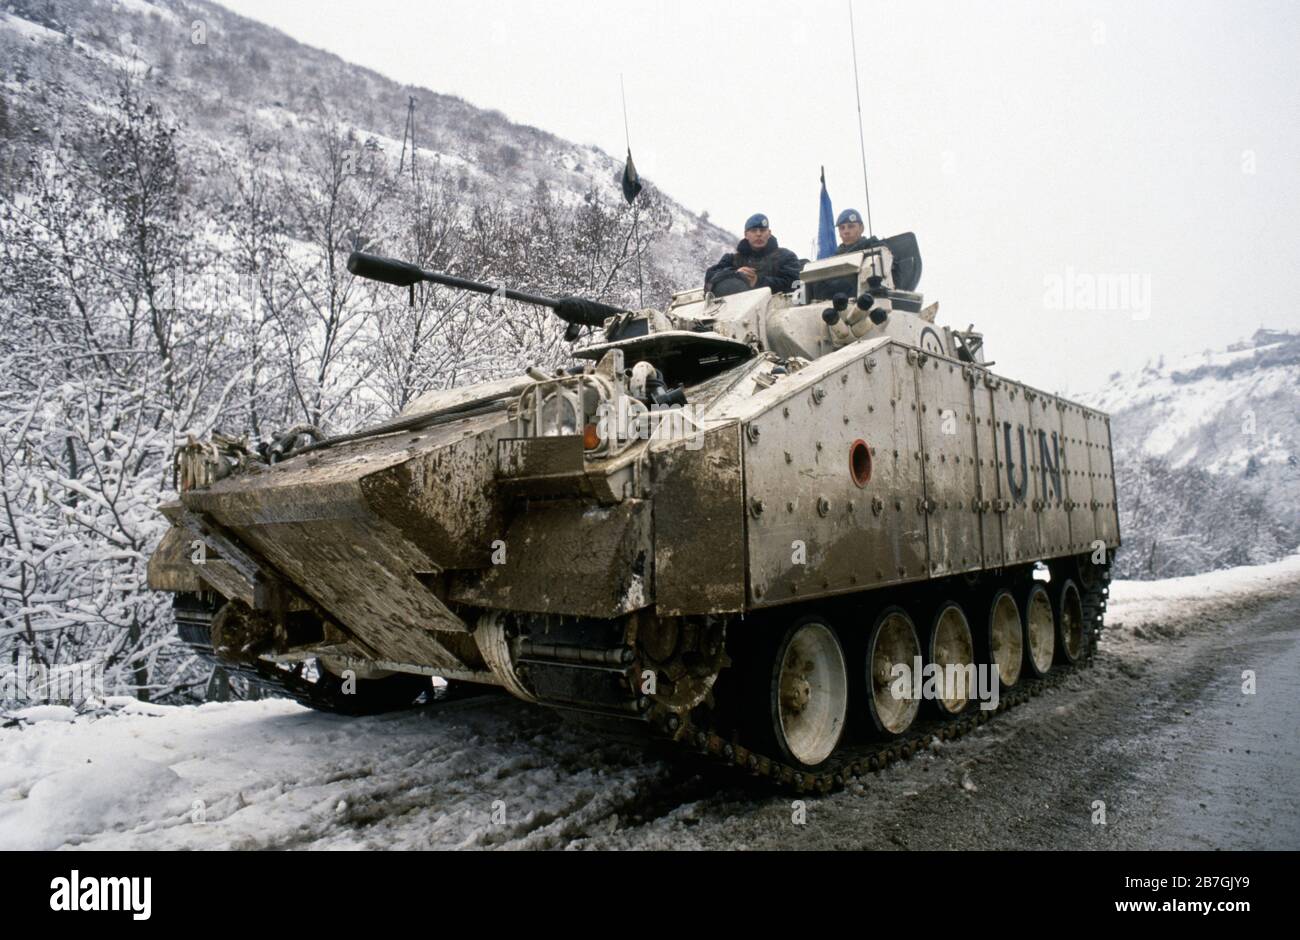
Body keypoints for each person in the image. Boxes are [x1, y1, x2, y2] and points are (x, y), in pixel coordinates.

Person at [704, 213, 801, 296]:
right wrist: (736, 274)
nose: (758, 234)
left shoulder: (786, 257)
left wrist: (758, 281)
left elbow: (794, 284)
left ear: (769, 233)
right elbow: (710, 277)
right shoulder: (731, 259)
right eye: (754, 230)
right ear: (746, 235)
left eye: (762, 230)